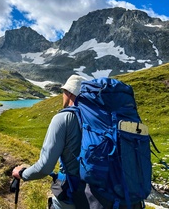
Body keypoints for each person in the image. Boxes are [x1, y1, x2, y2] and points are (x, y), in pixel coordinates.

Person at [12, 75, 142, 209]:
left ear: (68, 93)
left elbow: (44, 167)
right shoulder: (109, 118)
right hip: (118, 194)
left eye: (63, 92)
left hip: (76, 197)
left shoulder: (63, 118)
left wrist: (22, 173)